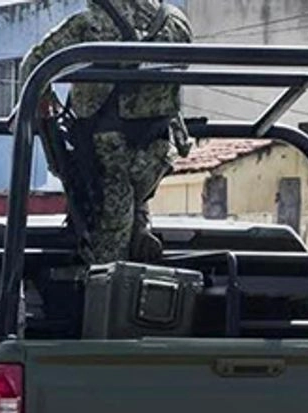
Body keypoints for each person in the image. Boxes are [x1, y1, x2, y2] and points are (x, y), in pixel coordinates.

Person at [21, 0, 193, 264]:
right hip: (157, 150)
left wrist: (45, 105)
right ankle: (139, 230)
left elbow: (33, 64)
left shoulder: (91, 23)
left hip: (108, 150)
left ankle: (110, 292)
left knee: (107, 244)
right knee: (133, 198)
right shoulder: (177, 20)